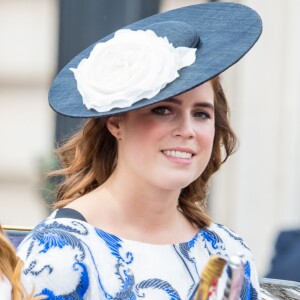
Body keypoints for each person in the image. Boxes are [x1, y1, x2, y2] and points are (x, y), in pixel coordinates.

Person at [17, 2, 263, 299]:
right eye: (163, 110)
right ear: (116, 122)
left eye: (201, 113)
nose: (187, 130)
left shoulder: (228, 252)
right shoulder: (58, 255)